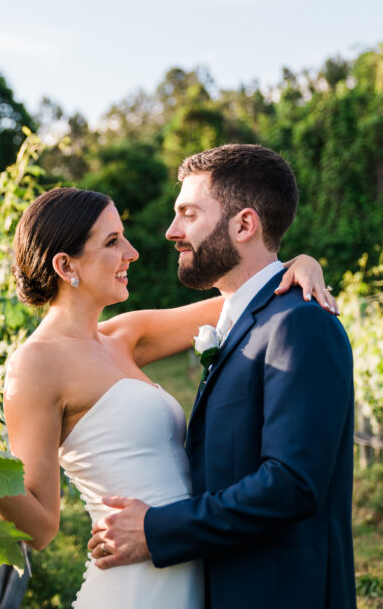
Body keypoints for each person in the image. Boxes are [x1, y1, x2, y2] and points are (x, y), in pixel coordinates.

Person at [0, 183, 338, 608]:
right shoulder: (34, 365)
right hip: (133, 584)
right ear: (65, 265)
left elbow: (252, 298)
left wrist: (303, 263)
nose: (131, 252)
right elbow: (40, 528)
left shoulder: (124, 335)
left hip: (190, 563)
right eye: (113, 242)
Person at [86, 144, 356, 608]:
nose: (172, 232)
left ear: (244, 225)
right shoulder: (244, 319)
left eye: (188, 214)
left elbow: (291, 484)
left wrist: (156, 530)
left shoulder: (300, 323)